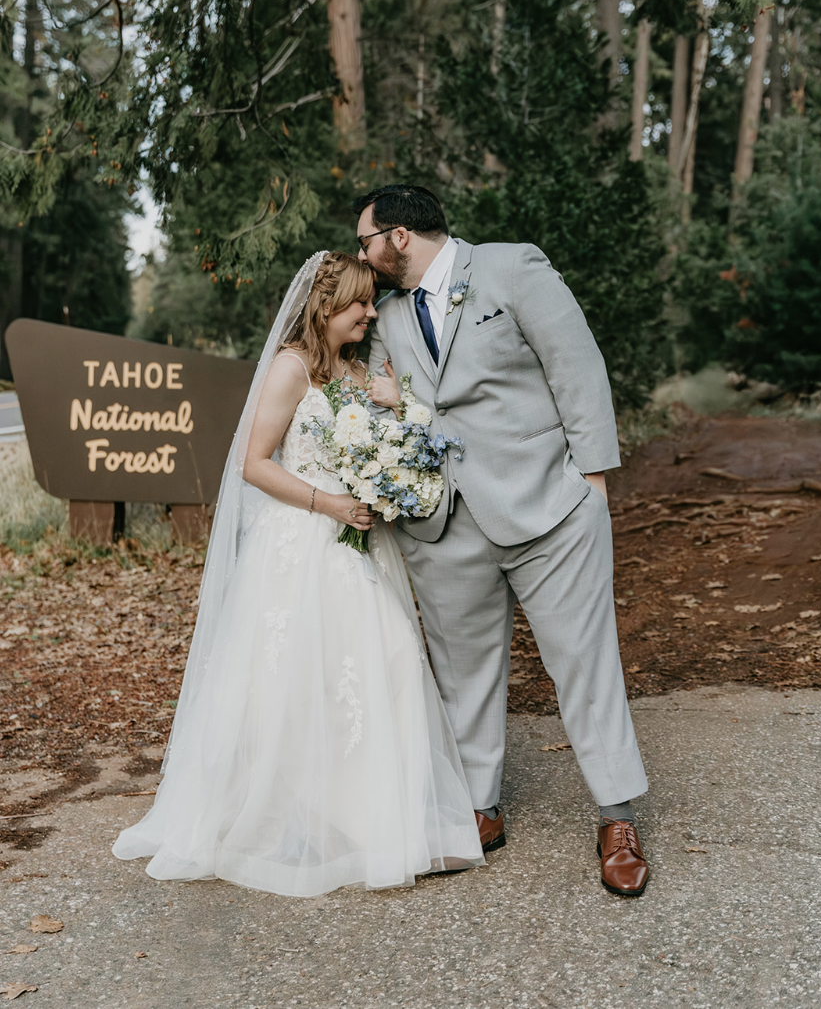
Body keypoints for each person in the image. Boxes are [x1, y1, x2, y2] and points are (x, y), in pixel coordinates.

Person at [113, 251, 484, 896]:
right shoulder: (290, 369)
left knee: (385, 659)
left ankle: (370, 818)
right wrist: (331, 502)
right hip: (303, 540)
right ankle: (292, 813)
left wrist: (394, 413)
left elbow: (381, 446)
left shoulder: (356, 367)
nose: (372, 312)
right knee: (295, 677)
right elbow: (253, 464)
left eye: (372, 302)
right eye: (361, 303)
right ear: (325, 307)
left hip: (360, 542)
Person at [356, 185, 650, 897]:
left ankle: (616, 817)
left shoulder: (511, 269)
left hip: (548, 507)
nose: (360, 254)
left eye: (365, 239)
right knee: (463, 674)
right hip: (443, 522)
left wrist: (594, 485)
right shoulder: (386, 317)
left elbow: (576, 368)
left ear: (399, 236)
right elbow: (382, 403)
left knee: (584, 663)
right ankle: (478, 809)